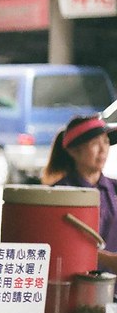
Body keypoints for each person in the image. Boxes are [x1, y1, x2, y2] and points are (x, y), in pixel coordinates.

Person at [43, 115, 117, 268]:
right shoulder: (59, 193)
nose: (103, 149)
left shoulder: (114, 187)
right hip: (76, 281)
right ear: (74, 151)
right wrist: (107, 259)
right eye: (95, 143)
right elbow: (58, 243)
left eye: (106, 141)